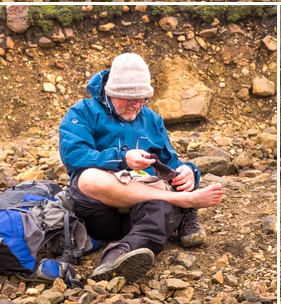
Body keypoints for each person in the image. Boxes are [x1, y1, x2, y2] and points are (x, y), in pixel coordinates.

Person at [59, 52, 224, 282]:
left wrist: (188, 173)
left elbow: (171, 163)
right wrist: (123, 159)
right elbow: (73, 156)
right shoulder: (82, 113)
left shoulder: (152, 119)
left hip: (139, 210)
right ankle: (184, 204)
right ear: (112, 92)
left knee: (161, 206)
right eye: (131, 99)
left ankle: (120, 254)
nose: (138, 105)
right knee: (89, 178)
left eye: (143, 99)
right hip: (97, 210)